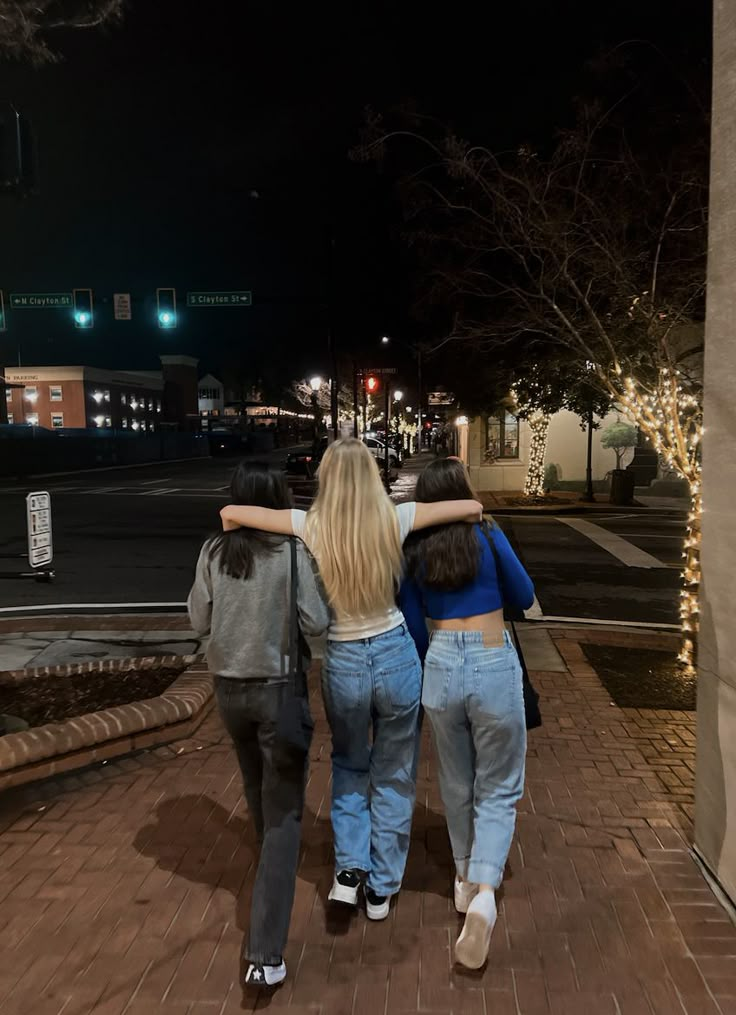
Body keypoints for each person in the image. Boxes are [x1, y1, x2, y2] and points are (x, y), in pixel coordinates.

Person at [220, 438, 482, 922]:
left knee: (348, 764)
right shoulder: (396, 518)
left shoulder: (310, 525)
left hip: (343, 659)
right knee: (395, 771)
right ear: (369, 477)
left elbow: (232, 514)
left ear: (327, 479)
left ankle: (348, 872)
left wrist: (232, 519)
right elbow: (471, 507)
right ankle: (382, 887)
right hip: (396, 654)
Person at [188, 462, 329, 989]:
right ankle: (266, 951)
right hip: (278, 688)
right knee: (285, 813)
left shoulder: (212, 552)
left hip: (228, 689)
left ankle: (272, 868)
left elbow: (198, 620)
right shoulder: (291, 553)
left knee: (257, 791)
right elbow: (318, 622)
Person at [399, 458, 534, 970]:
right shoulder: (486, 531)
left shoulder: (415, 546)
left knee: (456, 781)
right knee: (498, 784)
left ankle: (461, 876)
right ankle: (483, 893)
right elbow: (524, 594)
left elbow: (413, 624)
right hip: (492, 653)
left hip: (441, 659)